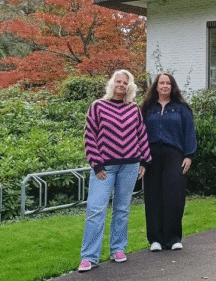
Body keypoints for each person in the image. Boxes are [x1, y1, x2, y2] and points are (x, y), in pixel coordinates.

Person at [78, 70, 151, 272]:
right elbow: (89, 136)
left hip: (130, 165)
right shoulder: (97, 107)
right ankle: (89, 257)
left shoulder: (133, 109)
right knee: (95, 210)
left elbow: (141, 135)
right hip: (105, 168)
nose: (121, 85)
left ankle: (118, 248)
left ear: (130, 86)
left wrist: (144, 161)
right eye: (118, 81)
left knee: (122, 209)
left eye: (125, 82)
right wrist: (97, 164)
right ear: (112, 84)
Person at [141, 72, 197, 251]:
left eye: (168, 83)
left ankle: (173, 238)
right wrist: (141, 158)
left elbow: (189, 132)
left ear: (172, 87)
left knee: (174, 196)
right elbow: (139, 133)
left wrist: (189, 155)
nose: (164, 86)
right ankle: (155, 240)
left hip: (175, 155)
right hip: (151, 156)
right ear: (156, 86)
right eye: (161, 83)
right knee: (153, 196)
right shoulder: (147, 108)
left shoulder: (181, 108)